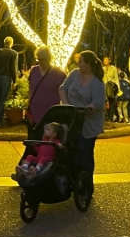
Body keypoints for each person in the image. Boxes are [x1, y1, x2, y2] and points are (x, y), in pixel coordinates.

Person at [59, 50, 106, 194]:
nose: (78, 64)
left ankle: (86, 184)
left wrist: (90, 107)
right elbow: (62, 88)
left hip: (88, 122)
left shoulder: (97, 83)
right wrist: (66, 104)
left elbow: (98, 102)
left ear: (89, 64)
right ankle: (70, 180)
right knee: (70, 150)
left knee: (85, 152)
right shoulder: (74, 74)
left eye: (81, 61)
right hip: (72, 118)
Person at [26, 45, 67, 133]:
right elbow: (30, 86)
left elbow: (65, 91)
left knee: (47, 138)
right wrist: (29, 99)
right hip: (34, 111)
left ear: (48, 58)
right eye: (38, 59)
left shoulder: (59, 73)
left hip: (50, 112)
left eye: (43, 59)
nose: (40, 62)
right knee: (33, 138)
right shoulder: (34, 71)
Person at [0, 36, 18, 127]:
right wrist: (14, 80)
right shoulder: (13, 53)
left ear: (4, 42)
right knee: (3, 98)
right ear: (11, 43)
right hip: (7, 77)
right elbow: (13, 67)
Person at [102, 55, 120, 121]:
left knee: (112, 103)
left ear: (109, 61)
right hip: (104, 87)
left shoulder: (113, 68)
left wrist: (118, 88)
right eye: (104, 60)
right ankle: (106, 117)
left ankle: (111, 118)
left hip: (112, 87)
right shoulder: (102, 69)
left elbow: (116, 78)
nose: (105, 61)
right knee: (104, 102)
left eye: (106, 60)